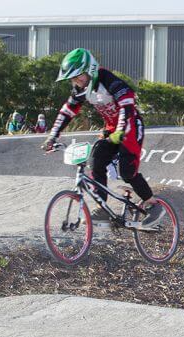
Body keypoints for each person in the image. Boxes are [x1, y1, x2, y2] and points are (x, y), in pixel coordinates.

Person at [41, 48, 162, 226]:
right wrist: (52, 137)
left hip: (130, 127)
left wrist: (120, 130)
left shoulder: (107, 79)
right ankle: (103, 207)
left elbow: (127, 103)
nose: (76, 81)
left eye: (78, 76)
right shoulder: (80, 89)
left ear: (89, 70)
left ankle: (153, 204)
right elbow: (67, 111)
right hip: (112, 130)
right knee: (96, 160)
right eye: (73, 78)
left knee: (127, 172)